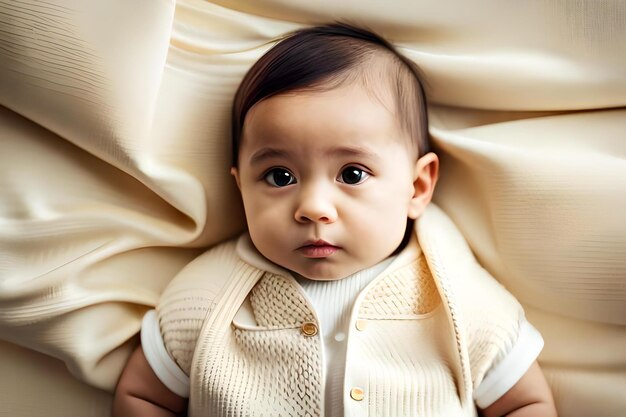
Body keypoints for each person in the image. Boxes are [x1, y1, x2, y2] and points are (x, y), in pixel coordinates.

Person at [113, 23, 557, 417]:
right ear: (240, 189)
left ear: (417, 188)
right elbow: (144, 396)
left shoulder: (456, 300)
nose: (313, 207)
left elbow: (524, 402)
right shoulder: (205, 299)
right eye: (279, 176)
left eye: (352, 174)